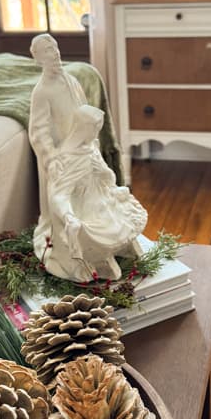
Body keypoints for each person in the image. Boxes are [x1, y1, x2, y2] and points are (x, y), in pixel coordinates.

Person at [28, 35, 147, 282]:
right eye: (48, 51)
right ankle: (85, 253)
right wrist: (52, 157)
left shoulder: (71, 80)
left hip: (85, 145)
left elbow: (84, 110)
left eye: (56, 48)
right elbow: (38, 131)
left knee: (102, 194)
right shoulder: (42, 92)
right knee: (73, 199)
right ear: (38, 58)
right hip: (65, 153)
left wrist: (90, 143)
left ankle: (116, 241)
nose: (56, 54)